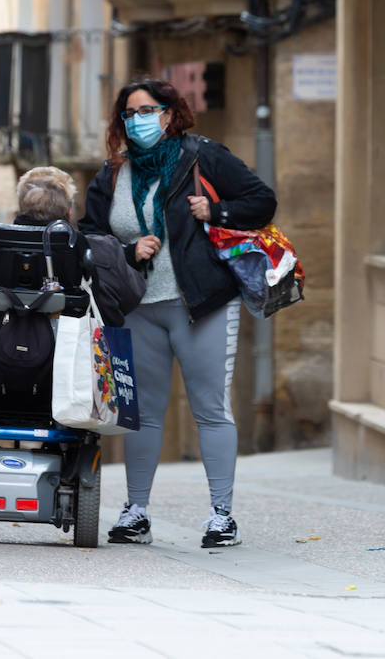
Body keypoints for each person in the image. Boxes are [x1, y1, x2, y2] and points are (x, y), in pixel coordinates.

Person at [79, 78, 276, 549]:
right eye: (129, 112)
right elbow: (86, 237)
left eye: (147, 110)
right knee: (142, 414)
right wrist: (127, 250)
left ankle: (222, 516)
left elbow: (262, 201)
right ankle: (137, 511)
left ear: (169, 115)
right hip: (138, 310)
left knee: (210, 409)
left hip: (201, 305)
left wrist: (217, 210)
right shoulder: (112, 174)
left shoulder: (202, 155)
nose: (137, 120)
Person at [0, 166, 145, 336]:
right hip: (75, 376)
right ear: (69, 212)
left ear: (20, 209)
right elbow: (131, 297)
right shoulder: (102, 250)